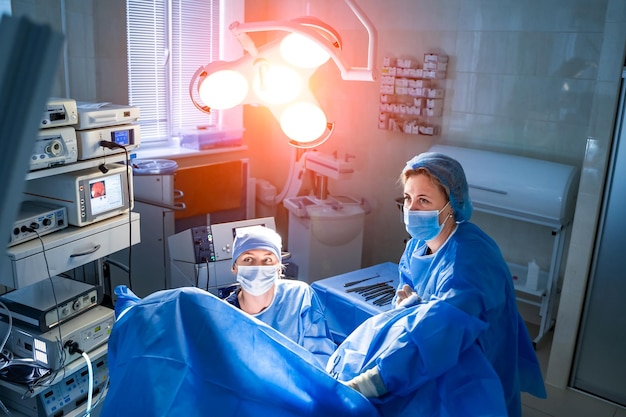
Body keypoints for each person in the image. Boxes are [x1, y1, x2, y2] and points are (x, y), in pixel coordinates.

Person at [327, 151, 546, 417]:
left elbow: (444, 326)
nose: (411, 209)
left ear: (452, 204)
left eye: (424, 200)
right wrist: (410, 302)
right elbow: (410, 288)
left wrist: (377, 379)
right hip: (435, 346)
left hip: (471, 357)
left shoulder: (471, 258)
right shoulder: (420, 244)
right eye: (408, 198)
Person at [224, 225, 336, 368]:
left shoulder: (299, 297)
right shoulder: (223, 313)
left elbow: (320, 358)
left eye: (267, 260)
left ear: (278, 269)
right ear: (234, 267)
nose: (258, 267)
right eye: (248, 259)